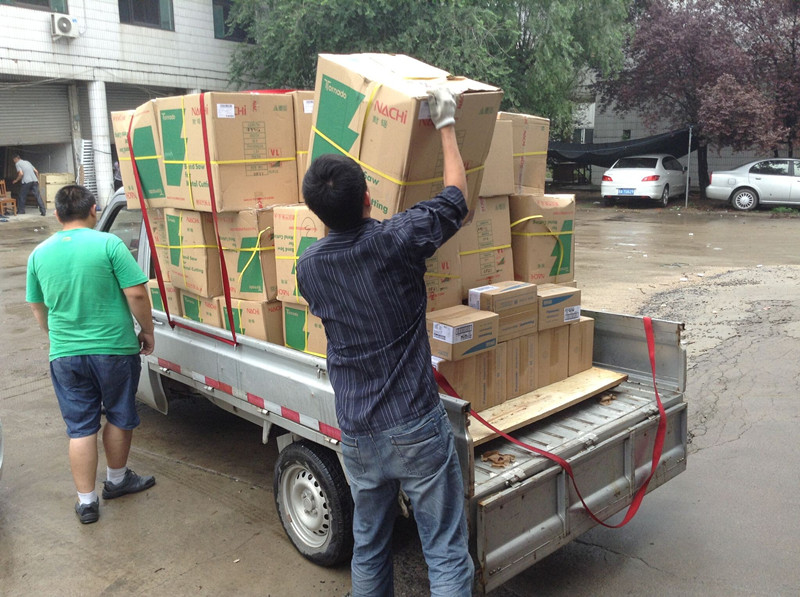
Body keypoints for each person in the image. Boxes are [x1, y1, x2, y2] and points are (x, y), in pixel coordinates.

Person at [296, 88, 475, 597]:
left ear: (316, 213)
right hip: (415, 423)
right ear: (367, 200)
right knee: (444, 550)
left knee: (370, 546)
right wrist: (445, 124)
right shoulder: (398, 239)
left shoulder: (309, 268)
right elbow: (456, 199)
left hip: (357, 431)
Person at [26, 185, 156, 525]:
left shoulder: (39, 253)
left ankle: (86, 503)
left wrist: (56, 336)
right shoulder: (109, 244)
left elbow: (37, 306)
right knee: (119, 415)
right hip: (113, 349)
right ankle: (117, 481)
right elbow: (136, 294)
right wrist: (148, 330)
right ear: (93, 210)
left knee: (80, 427)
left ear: (57, 215)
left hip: (65, 354)